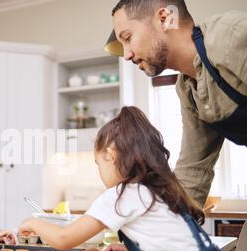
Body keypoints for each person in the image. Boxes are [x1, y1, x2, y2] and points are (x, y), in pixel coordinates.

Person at [19, 107, 241, 251]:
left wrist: (32, 222)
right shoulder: (156, 190)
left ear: (111, 155)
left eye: (98, 164)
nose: (99, 172)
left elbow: (64, 239)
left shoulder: (122, 194)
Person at [104, 0, 247, 207]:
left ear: (165, 18)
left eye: (128, 38)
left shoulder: (231, 37)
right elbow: (193, 171)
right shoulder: (187, 89)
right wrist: (168, 225)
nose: (126, 55)